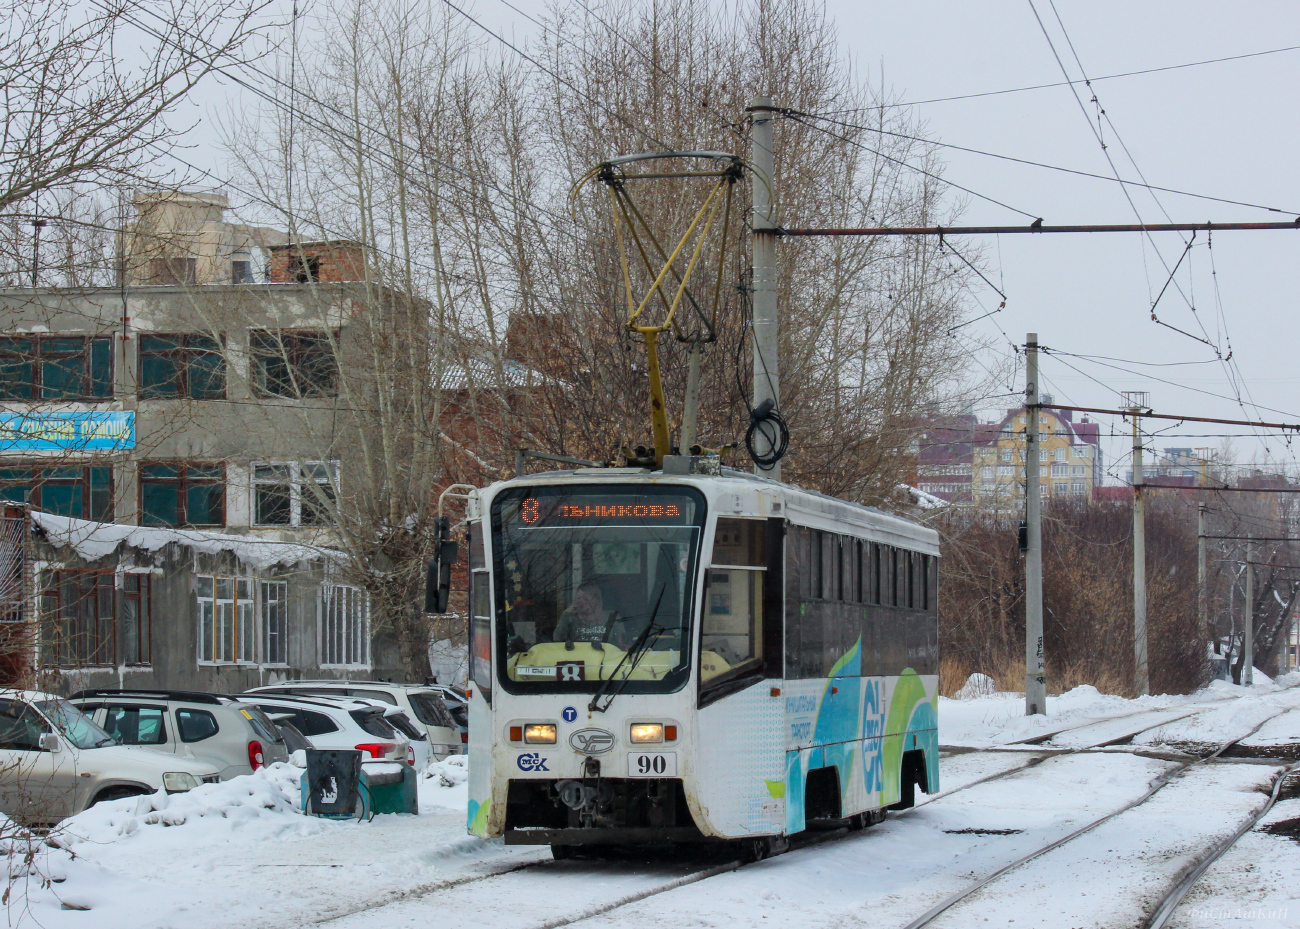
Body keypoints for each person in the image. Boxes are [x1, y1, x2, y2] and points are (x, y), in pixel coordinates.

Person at [552, 580, 612, 645]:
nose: (581, 602)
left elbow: (620, 645)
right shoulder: (572, 619)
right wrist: (567, 612)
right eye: (578, 598)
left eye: (585, 599)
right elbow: (557, 639)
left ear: (596, 600)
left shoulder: (611, 618)